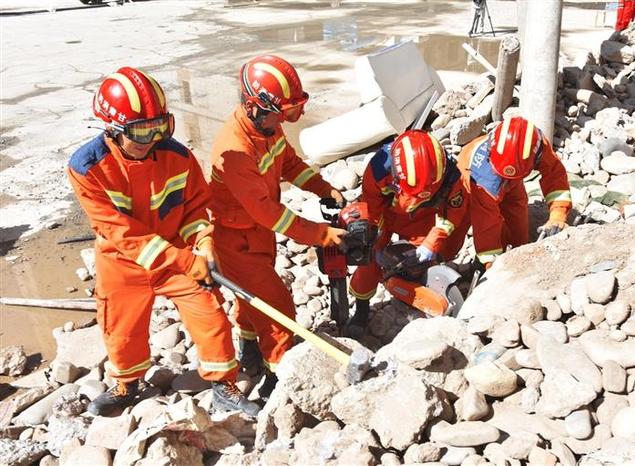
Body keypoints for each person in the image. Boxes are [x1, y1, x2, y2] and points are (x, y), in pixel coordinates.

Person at [68, 67, 259, 417]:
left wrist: (203, 242)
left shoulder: (179, 157)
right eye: (141, 131)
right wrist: (186, 261)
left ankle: (222, 383)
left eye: (161, 127)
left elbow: (196, 208)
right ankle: (127, 384)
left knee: (211, 313)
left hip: (178, 252)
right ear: (111, 129)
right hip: (122, 262)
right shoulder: (87, 168)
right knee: (120, 329)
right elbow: (120, 232)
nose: (152, 139)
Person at [209, 55, 346, 400]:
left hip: (256, 233)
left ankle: (249, 349)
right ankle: (277, 377)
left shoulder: (267, 125)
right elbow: (268, 213)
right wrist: (320, 234)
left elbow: (288, 163)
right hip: (237, 237)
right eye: (284, 113)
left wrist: (321, 187)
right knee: (277, 307)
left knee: (248, 300)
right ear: (255, 106)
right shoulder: (236, 150)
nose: (287, 119)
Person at [347, 130, 470, 332]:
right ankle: (361, 308)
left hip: (422, 216)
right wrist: (374, 240)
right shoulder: (379, 170)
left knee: (423, 258)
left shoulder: (450, 174)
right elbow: (372, 208)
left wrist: (431, 243)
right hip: (387, 214)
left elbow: (453, 212)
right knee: (368, 260)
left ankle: (413, 286)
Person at [456, 116, 572, 269]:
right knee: (466, 224)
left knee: (517, 219)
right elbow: (486, 226)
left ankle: (519, 253)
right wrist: (492, 264)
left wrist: (558, 214)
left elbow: (555, 176)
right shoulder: (481, 179)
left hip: (511, 176)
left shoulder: (535, 145)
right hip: (477, 177)